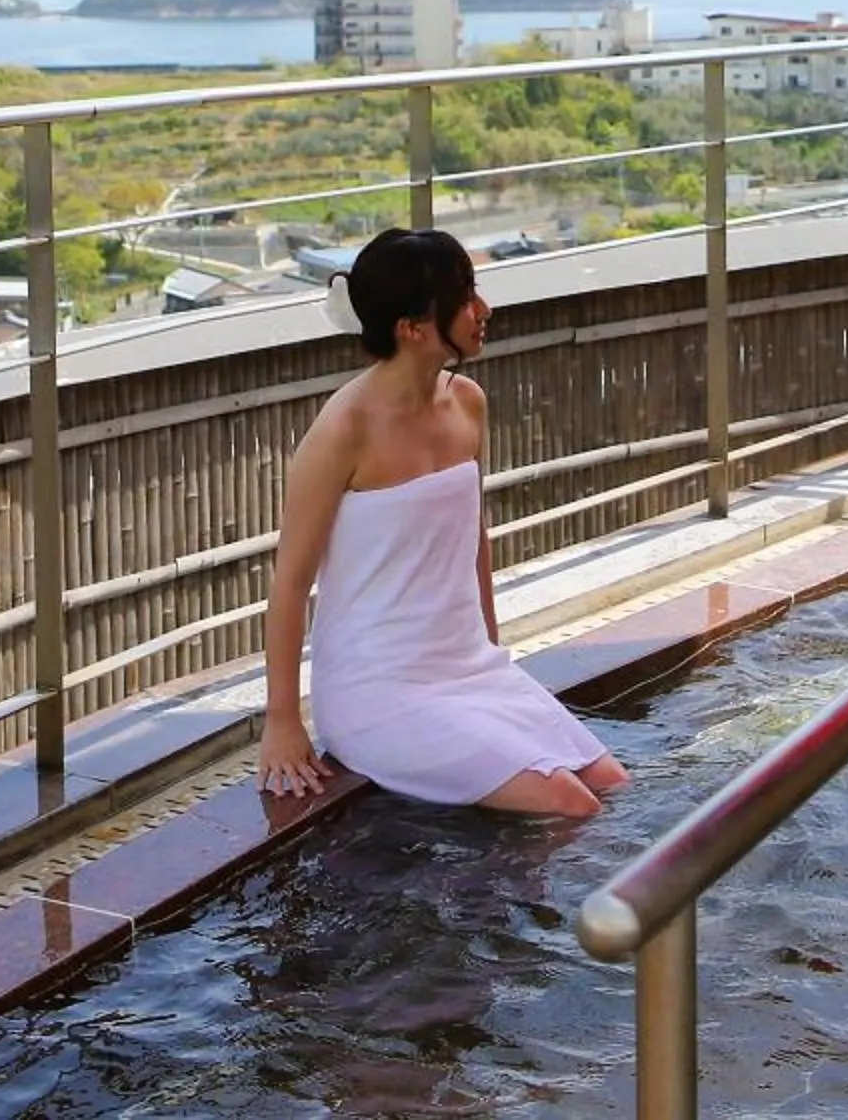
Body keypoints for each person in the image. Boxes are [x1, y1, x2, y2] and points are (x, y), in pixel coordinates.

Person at [258, 227, 628, 817]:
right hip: (377, 689)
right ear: (412, 328)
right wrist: (282, 721)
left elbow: (470, 536)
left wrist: (490, 654)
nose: (483, 310)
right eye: (464, 298)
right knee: (567, 802)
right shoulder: (343, 430)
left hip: (465, 666)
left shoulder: (468, 403)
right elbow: (289, 585)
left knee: (610, 784)